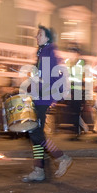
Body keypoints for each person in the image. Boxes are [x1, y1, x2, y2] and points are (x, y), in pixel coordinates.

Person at [21, 25, 73, 182]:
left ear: (48, 37)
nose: (37, 37)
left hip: (44, 97)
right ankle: (39, 170)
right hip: (38, 97)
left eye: (40, 34)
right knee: (33, 133)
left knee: (36, 133)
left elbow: (59, 74)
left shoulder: (50, 51)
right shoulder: (42, 52)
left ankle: (61, 157)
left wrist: (54, 95)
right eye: (37, 34)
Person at [65, 42, 86, 140]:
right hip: (70, 90)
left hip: (78, 90)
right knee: (71, 112)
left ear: (77, 53)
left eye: (73, 52)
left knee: (76, 112)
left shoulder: (80, 62)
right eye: (70, 51)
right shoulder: (68, 62)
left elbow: (76, 75)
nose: (71, 54)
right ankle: (75, 131)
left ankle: (77, 133)